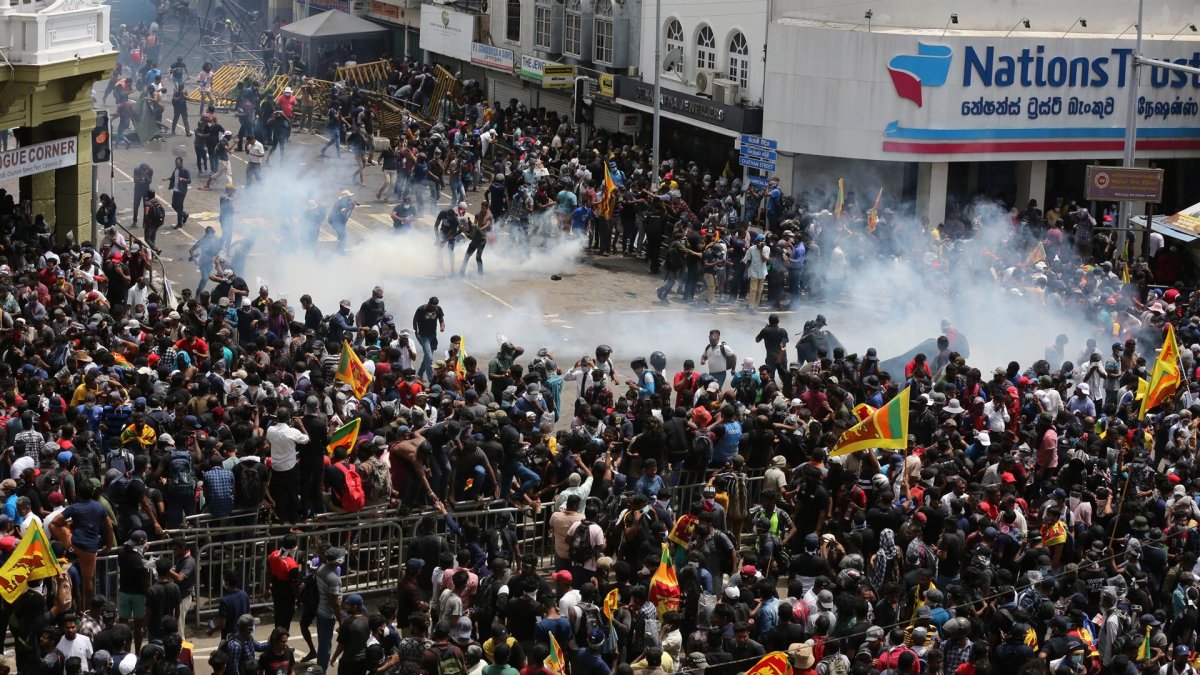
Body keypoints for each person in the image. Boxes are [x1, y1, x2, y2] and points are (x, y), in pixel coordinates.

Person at [164, 156, 190, 228]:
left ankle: (179, 223)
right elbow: (173, 177)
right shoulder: (176, 170)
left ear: (181, 163)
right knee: (173, 205)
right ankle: (184, 215)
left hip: (181, 191)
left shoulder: (185, 170)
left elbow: (189, 180)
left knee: (179, 206)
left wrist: (183, 179)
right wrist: (167, 179)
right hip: (175, 190)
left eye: (178, 163)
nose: (177, 165)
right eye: (176, 163)